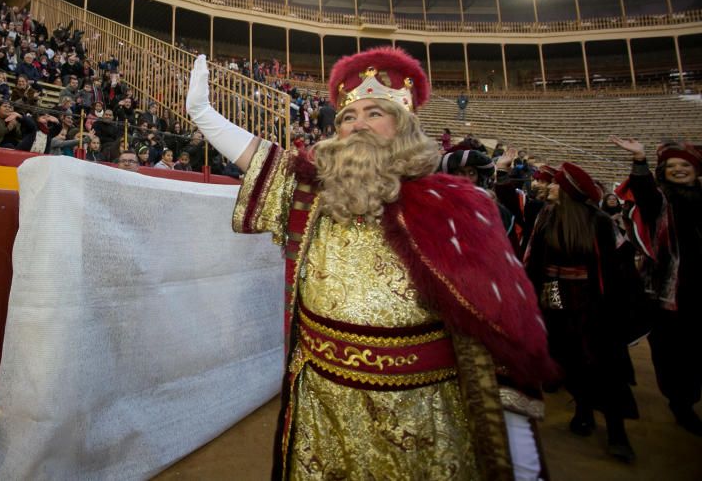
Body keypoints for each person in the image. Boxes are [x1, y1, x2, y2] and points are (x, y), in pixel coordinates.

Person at [186, 47, 554, 480]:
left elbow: (501, 331)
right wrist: (203, 112)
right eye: (347, 116)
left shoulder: (457, 206)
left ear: (404, 127)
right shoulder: (314, 195)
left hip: (422, 414)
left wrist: (518, 456)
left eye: (374, 113)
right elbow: (261, 158)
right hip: (321, 411)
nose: (357, 123)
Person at [524, 162, 639, 462]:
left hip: (592, 302)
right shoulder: (546, 217)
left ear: (568, 191)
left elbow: (621, 264)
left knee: (603, 364)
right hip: (555, 296)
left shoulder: (599, 222)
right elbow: (536, 262)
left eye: (555, 184)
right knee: (568, 357)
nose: (549, 186)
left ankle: (617, 431)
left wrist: (612, 306)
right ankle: (583, 411)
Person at [611, 137, 702, 436]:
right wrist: (640, 160)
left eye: (684, 165)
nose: (678, 170)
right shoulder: (659, 202)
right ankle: (681, 402)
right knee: (672, 352)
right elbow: (645, 194)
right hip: (666, 293)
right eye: (671, 166)